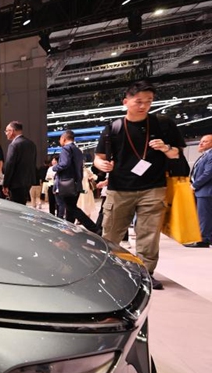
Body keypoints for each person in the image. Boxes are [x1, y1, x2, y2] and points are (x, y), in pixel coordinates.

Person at [94, 80, 187, 290]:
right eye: (138, 101)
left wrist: (166, 148)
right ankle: (109, 270)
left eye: (149, 101)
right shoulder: (114, 128)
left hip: (153, 188)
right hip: (119, 189)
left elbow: (176, 154)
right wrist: (103, 164)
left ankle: (146, 273)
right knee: (111, 233)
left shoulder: (163, 124)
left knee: (148, 234)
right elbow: (98, 157)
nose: (144, 105)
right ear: (125, 101)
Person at [54, 130, 99, 234]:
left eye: (60, 139)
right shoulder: (78, 150)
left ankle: (94, 228)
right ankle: (68, 230)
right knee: (70, 209)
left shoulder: (66, 148)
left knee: (71, 208)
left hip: (67, 183)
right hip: (76, 183)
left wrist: (55, 167)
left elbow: (64, 164)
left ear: (64, 139)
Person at [2, 121, 37, 205]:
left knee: (16, 208)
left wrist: (5, 184)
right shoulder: (31, 144)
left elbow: (9, 165)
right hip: (28, 181)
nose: (6, 133)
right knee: (22, 205)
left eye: (7, 131)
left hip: (16, 182)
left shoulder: (14, 145)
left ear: (12, 131)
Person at [188, 134, 212, 248]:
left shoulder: (211, 155)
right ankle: (208, 237)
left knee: (204, 216)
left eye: (205, 141)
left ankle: (203, 239)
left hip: (206, 191)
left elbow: (208, 173)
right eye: (201, 141)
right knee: (205, 216)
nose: (201, 143)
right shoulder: (205, 155)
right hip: (203, 191)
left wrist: (194, 185)